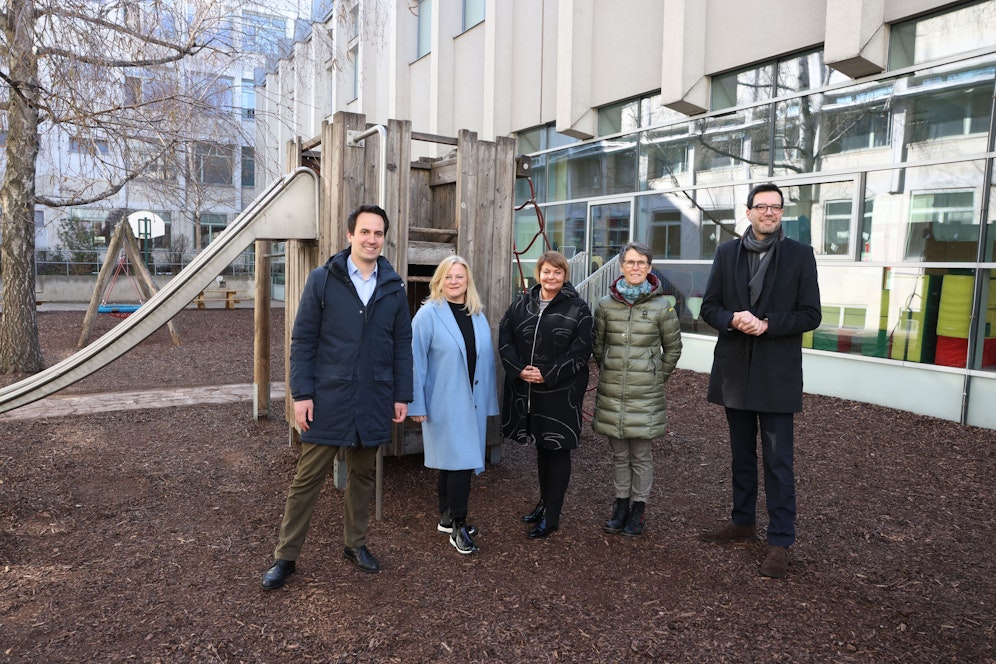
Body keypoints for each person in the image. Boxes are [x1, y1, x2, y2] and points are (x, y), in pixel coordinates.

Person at [260, 204, 413, 590]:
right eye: (365, 232)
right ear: (350, 235)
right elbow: (304, 339)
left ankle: (355, 544)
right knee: (307, 478)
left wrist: (402, 394)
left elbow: (401, 344)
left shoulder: (394, 286)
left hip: (374, 396)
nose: (372, 239)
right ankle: (286, 557)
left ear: (384, 237)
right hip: (328, 396)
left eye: (378, 233)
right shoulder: (323, 279)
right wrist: (302, 394)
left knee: (362, 475)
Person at [698, 183, 821, 579]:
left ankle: (781, 540)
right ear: (748, 212)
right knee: (741, 457)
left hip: (776, 375)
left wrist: (768, 325)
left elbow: (811, 315)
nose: (769, 212)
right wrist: (732, 319)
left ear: (781, 214)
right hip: (735, 371)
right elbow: (709, 307)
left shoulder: (800, 256)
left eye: (776, 207)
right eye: (762, 206)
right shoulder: (726, 252)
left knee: (779, 462)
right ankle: (743, 522)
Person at [499, 250, 593, 538]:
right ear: (538, 273)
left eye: (557, 272)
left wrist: (548, 373)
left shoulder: (578, 308)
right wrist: (518, 369)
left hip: (560, 392)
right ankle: (544, 503)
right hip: (529, 392)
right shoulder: (522, 305)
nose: (551, 277)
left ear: (565, 275)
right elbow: (505, 338)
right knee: (542, 447)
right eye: (546, 271)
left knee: (558, 449)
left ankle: (552, 515)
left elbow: (582, 350)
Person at [409, 256, 499, 555]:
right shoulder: (427, 315)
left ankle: (447, 518)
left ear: (467, 281)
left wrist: (486, 402)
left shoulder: (477, 315)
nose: (454, 281)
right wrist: (416, 404)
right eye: (448, 276)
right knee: (460, 463)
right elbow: (416, 364)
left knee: (452, 463)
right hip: (443, 403)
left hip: (471, 402)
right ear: (439, 281)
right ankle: (459, 526)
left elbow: (483, 361)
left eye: (459, 276)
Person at [592, 242, 682, 537]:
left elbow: (673, 348)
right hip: (613, 391)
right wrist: (610, 370)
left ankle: (638, 509)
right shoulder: (605, 305)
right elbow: (598, 346)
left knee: (641, 454)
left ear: (649, 267)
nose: (635, 267)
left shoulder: (661, 306)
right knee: (619, 454)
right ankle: (620, 505)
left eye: (641, 262)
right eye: (630, 262)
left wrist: (657, 377)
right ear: (621, 266)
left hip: (646, 394)